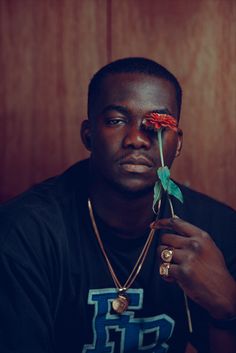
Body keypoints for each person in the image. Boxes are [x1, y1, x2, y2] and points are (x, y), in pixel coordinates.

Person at [0, 57, 235, 353]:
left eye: (156, 124)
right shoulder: (23, 234)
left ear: (177, 142)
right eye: (116, 120)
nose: (136, 139)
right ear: (88, 135)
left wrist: (227, 310)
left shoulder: (218, 230)